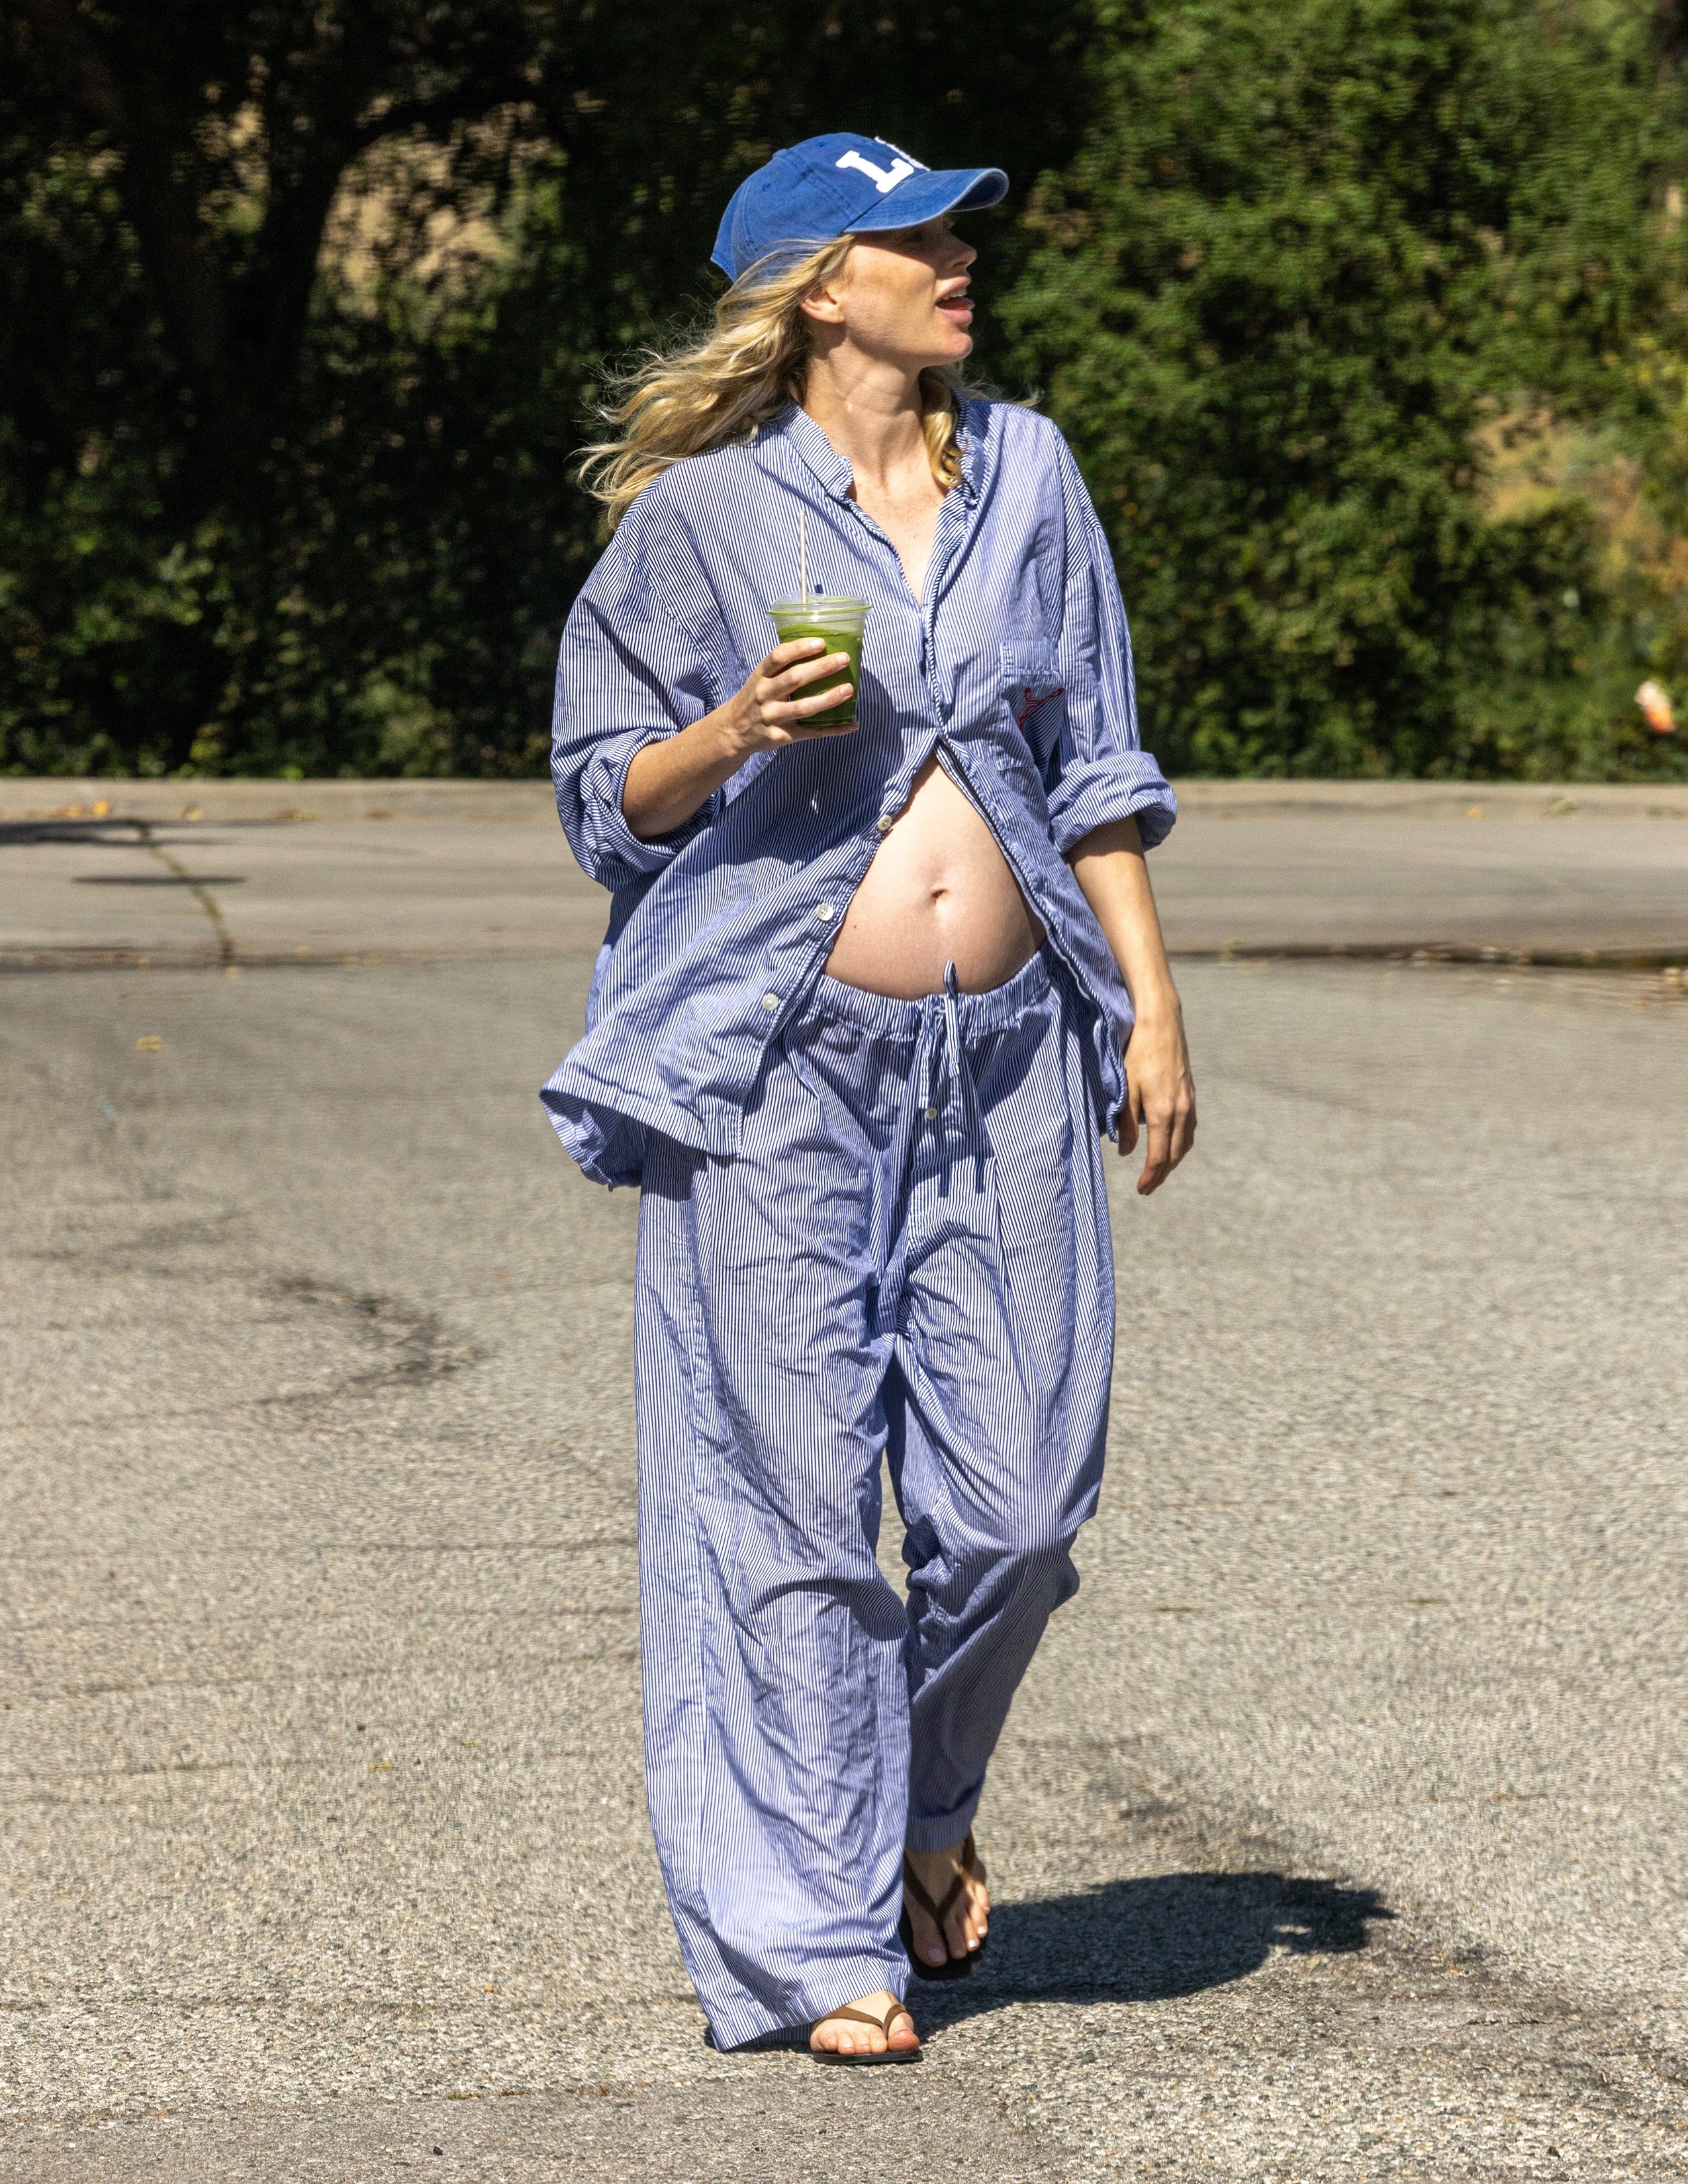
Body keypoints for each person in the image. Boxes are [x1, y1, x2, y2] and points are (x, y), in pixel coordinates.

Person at [541, 132, 1196, 2063]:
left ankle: (916, 1806)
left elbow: (1098, 769)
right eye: (917, 237)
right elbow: (604, 799)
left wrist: (1149, 1008)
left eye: (958, 232)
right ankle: (823, 1935)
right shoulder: (703, 524)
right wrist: (732, 726)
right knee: (796, 1508)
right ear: (822, 286)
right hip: (774, 1063)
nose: (958, 259)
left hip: (1001, 1056)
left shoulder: (1037, 481)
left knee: (1022, 1500)